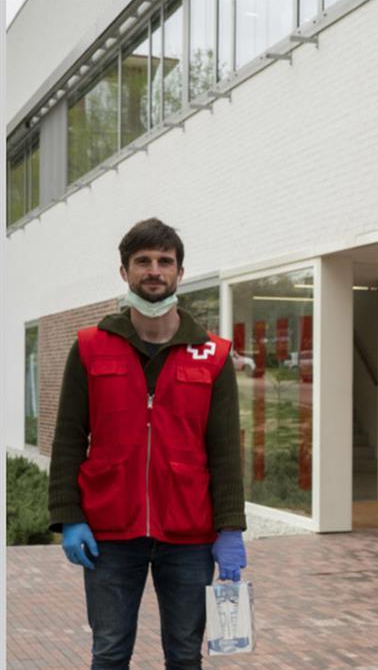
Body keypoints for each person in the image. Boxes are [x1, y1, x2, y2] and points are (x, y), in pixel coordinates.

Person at [48, 218, 247, 669]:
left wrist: (230, 527)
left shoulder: (212, 356)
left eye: (164, 261)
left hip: (189, 535)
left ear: (179, 272)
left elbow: (224, 452)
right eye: (143, 262)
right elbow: (67, 440)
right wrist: (68, 516)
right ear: (124, 272)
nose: (154, 270)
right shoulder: (90, 347)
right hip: (109, 534)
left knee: (183, 655)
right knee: (110, 652)